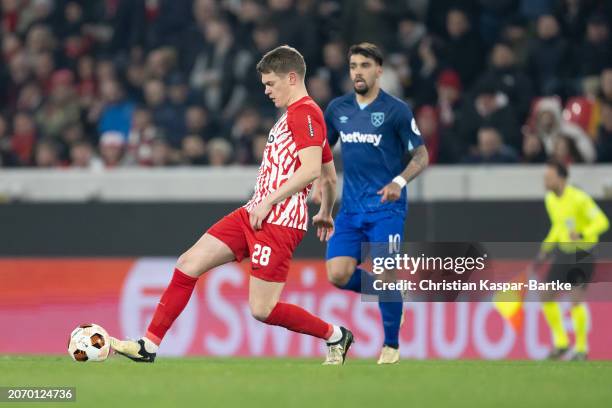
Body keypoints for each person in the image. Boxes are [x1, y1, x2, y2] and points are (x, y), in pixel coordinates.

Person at [109, 45, 353, 365]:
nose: (266, 91)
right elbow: (329, 176)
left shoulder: (306, 114)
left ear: (292, 78)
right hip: (255, 212)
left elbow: (311, 171)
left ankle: (335, 335)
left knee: (262, 310)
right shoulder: (296, 115)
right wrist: (324, 212)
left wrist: (271, 201)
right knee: (188, 263)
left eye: (270, 84)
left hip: (279, 221)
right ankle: (148, 344)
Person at [320, 43, 428, 364]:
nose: (357, 71)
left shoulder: (396, 110)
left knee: (384, 275)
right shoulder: (338, 110)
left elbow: (421, 155)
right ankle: (391, 297)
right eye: (353, 65)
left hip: (386, 210)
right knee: (337, 274)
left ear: (379, 70)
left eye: (365, 65)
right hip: (351, 210)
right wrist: (321, 193)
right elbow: (323, 153)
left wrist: (399, 182)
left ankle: (391, 347)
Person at [534, 161, 609, 360]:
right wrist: (545, 248)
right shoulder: (550, 199)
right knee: (545, 295)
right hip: (565, 252)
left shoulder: (579, 198)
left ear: (561, 178)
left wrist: (584, 232)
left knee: (576, 300)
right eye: (545, 178)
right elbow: (558, 227)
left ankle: (582, 349)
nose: (546, 181)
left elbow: (602, 221)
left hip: (583, 253)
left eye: (549, 177)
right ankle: (561, 343)